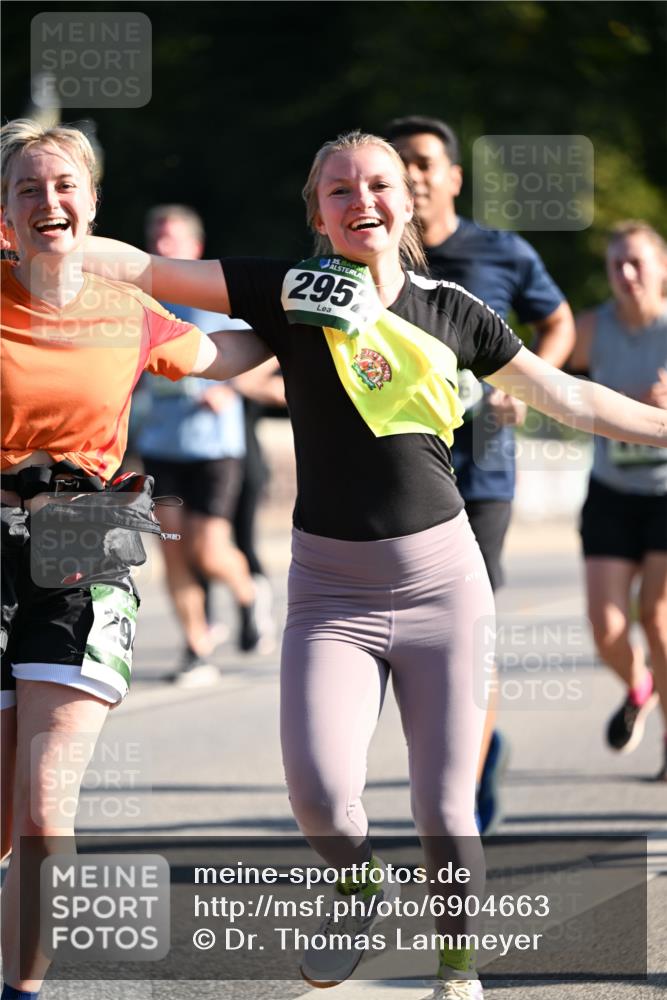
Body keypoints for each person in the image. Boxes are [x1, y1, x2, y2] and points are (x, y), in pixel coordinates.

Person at [84, 130, 666, 1000]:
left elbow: (570, 394)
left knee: (444, 808)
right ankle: (357, 882)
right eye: (339, 190)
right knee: (318, 798)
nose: (362, 201)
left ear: (407, 203)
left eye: (379, 185)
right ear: (316, 212)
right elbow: (143, 270)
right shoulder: (292, 291)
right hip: (328, 590)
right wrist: (37, 234)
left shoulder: (455, 310)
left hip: (443, 583)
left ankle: (457, 972)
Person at [0, 119, 271, 1000]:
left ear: (91, 206)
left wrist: (309, 307)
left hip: (83, 547)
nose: (50, 201)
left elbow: (223, 356)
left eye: (64, 186)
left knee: (44, 813)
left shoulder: (127, 310)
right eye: (29, 189)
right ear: (3, 216)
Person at [385, 115, 576, 834]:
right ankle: (465, 747)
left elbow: (556, 322)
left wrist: (525, 386)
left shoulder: (499, 251)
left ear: (452, 178)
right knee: (410, 631)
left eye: (424, 162)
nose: (411, 173)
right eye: (398, 160)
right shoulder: (376, 260)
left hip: (482, 468)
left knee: (472, 628)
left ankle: (463, 777)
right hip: (401, 468)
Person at [137, 204, 282, 684]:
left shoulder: (216, 301)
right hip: (161, 445)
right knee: (173, 550)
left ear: (194, 249)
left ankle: (248, 592)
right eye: (156, 239)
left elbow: (264, 356)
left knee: (208, 549)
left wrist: (230, 387)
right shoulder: (142, 304)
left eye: (171, 240)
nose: (161, 247)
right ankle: (196, 649)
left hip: (216, 450)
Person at [569, 220, 667, 779]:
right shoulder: (590, 329)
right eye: (615, 265)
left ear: (661, 270)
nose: (626, 274)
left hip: (665, 493)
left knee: (657, 618)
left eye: (637, 263)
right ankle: (639, 686)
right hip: (611, 490)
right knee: (605, 627)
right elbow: (551, 381)